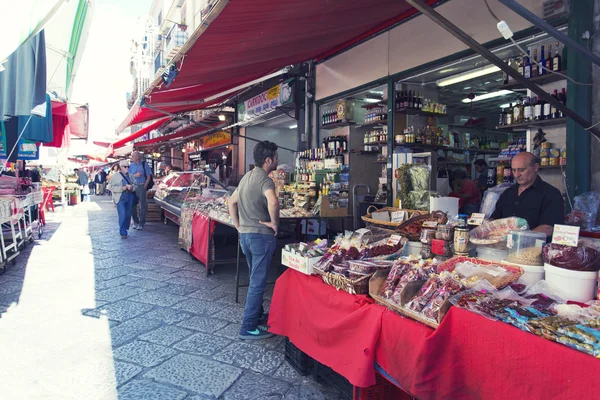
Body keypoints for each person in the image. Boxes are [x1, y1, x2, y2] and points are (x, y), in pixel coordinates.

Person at [228, 141, 279, 340]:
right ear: (268, 160)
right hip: (260, 237)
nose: (277, 160)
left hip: (246, 236)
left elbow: (231, 202)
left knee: (254, 277)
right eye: (276, 157)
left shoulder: (246, 177)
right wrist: (274, 223)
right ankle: (248, 326)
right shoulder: (265, 180)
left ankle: (257, 315)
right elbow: (273, 201)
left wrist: (238, 226)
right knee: (257, 282)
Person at [491, 152, 564, 237]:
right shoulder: (508, 193)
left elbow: (549, 228)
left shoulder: (551, 194)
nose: (517, 175)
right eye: (514, 170)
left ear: (535, 167)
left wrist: (519, 238)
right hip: (503, 247)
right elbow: (496, 218)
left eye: (521, 170)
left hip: (534, 248)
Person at [108, 160, 135, 239]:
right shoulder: (116, 176)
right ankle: (123, 232)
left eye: (128, 166)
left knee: (128, 214)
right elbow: (110, 187)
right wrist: (121, 188)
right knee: (122, 214)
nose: (127, 168)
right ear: (121, 167)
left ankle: (125, 228)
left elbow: (135, 186)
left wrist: (132, 187)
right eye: (125, 166)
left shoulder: (131, 175)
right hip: (120, 198)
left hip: (129, 197)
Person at [128, 152, 152, 230]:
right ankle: (136, 221)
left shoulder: (144, 164)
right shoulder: (131, 166)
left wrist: (145, 185)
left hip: (141, 185)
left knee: (142, 205)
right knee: (132, 205)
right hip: (133, 186)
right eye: (132, 156)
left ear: (138, 157)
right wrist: (135, 175)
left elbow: (148, 176)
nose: (133, 158)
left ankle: (141, 223)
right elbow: (128, 177)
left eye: (134, 156)